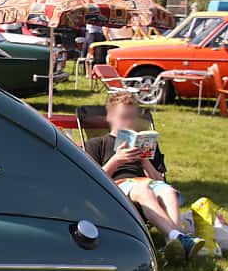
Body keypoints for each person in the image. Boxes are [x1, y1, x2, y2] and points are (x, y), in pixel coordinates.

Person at [81, 89, 197, 259]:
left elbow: (159, 180)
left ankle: (173, 243)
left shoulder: (145, 143)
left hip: (147, 182)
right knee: (143, 189)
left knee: (168, 191)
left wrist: (144, 160)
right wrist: (117, 160)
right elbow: (93, 182)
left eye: (132, 117)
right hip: (118, 186)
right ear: (110, 117)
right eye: (124, 117)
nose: (129, 122)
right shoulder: (97, 144)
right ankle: (178, 238)